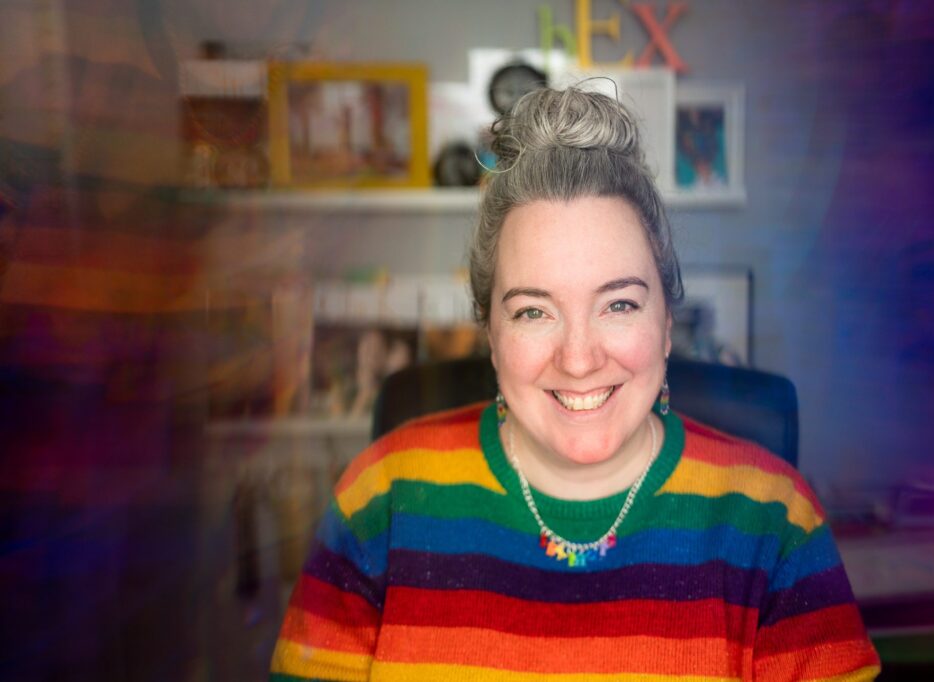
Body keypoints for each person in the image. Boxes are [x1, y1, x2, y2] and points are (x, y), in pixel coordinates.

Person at [270, 86, 880, 681]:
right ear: (490, 331)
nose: (580, 359)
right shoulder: (381, 500)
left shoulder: (775, 522)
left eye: (618, 305)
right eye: (534, 311)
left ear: (667, 322)